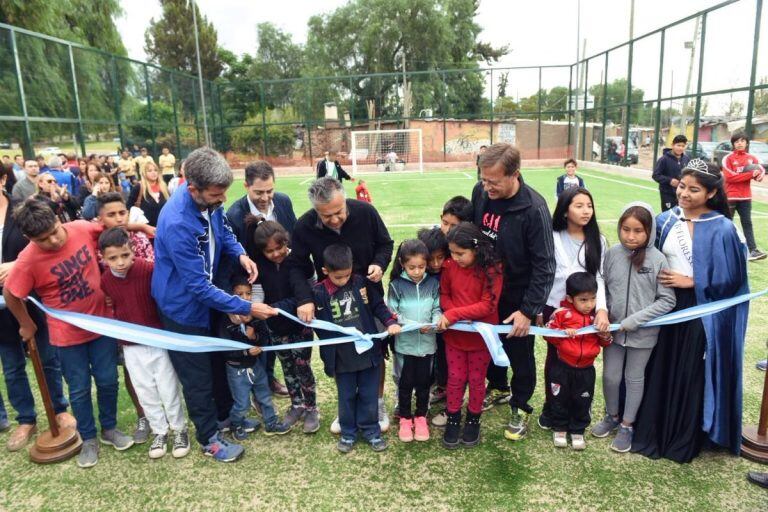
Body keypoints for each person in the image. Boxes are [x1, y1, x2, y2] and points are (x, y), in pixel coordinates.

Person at [151, 146, 271, 463]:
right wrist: (247, 307)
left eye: (223, 194)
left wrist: (240, 252)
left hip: (209, 301)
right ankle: (208, 439)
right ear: (193, 188)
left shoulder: (209, 200)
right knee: (198, 377)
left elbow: (224, 230)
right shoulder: (178, 222)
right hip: (183, 309)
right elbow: (197, 287)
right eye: (216, 195)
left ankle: (223, 419)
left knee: (218, 362)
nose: (221, 200)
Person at [2, 200, 135, 468]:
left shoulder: (81, 228)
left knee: (108, 379)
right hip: (67, 336)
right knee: (79, 388)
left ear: (58, 218)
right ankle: (88, 438)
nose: (53, 240)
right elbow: (11, 294)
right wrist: (26, 324)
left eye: (55, 230)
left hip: (102, 326)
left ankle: (109, 429)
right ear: (29, 238)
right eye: (43, 239)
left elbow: (110, 228)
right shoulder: (27, 261)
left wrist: (141, 225)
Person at [632, 159, 750, 463]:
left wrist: (694, 280)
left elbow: (734, 280)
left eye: (693, 189)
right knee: (659, 364)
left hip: (702, 312)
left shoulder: (723, 228)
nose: (684, 193)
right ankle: (652, 428)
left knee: (690, 370)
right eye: (682, 186)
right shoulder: (667, 219)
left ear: (710, 193)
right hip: (665, 305)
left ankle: (683, 434)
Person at [286, 176, 394, 431]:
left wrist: (379, 263)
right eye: (326, 217)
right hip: (330, 302)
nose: (334, 220)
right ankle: (347, 408)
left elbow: (385, 244)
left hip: (369, 296)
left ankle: (376, 403)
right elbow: (296, 266)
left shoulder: (365, 212)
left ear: (345, 200)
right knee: (339, 353)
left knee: (374, 352)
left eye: (338, 212)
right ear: (316, 211)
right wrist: (304, 299)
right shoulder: (303, 227)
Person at [471, 143, 555, 442]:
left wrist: (528, 310)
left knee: (520, 356)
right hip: (487, 292)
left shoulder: (534, 208)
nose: (486, 186)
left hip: (518, 297)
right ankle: (498, 388)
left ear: (514, 174)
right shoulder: (480, 193)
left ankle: (520, 408)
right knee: (487, 346)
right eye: (483, 178)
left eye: (493, 181)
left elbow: (545, 266)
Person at [0, 167, 74, 452]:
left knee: (48, 358)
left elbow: (47, 245)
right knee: (11, 366)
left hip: (32, 299)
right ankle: (26, 419)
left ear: (4, 179)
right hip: (1, 309)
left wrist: (16, 266)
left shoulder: (24, 212)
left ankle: (59, 409)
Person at [98, 227, 189, 459]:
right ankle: (159, 431)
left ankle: (179, 429)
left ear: (132, 251)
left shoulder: (148, 269)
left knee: (168, 387)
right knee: (144, 390)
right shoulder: (106, 280)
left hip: (158, 339)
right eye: (113, 258)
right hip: (130, 345)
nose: (120, 262)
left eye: (125, 255)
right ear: (103, 258)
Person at [593, 203, 676, 452]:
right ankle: (612, 416)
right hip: (613, 333)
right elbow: (603, 287)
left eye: (638, 230)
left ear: (649, 231)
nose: (631, 236)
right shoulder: (612, 254)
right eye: (626, 229)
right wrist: (603, 313)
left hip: (643, 334)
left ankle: (627, 425)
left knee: (634, 378)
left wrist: (635, 320)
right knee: (610, 376)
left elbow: (668, 300)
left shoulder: (658, 259)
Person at [313, 244, 401, 453]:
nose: (343, 281)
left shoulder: (362, 283)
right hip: (341, 359)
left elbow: (378, 306)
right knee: (346, 395)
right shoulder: (318, 293)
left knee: (369, 394)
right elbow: (316, 324)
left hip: (369, 354)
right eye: (338, 278)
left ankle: (371, 431)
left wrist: (390, 322)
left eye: (347, 275)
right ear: (326, 271)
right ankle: (348, 433)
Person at [535, 187, 609, 428]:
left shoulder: (598, 240)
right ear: (565, 211)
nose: (586, 211)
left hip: (585, 313)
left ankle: (576, 412)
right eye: (579, 206)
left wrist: (601, 309)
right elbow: (542, 274)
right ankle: (552, 409)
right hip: (553, 309)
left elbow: (600, 278)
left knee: (581, 362)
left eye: (589, 205)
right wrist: (537, 307)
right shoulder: (550, 236)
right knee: (555, 361)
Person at [226, 160, 297, 397]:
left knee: (278, 329)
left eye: (269, 191)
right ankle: (263, 383)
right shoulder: (235, 215)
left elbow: (293, 235)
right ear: (246, 186)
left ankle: (272, 378)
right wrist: (242, 297)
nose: (265, 197)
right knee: (259, 333)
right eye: (259, 192)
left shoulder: (284, 202)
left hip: (281, 278)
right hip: (254, 283)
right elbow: (233, 257)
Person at [244, 217, 319, 433]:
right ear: (262, 251)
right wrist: (258, 316)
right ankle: (296, 405)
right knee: (287, 367)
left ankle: (311, 407)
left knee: (303, 366)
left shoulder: (299, 261)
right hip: (276, 328)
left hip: (300, 325)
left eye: (280, 247)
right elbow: (257, 298)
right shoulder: (259, 268)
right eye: (270, 251)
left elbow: (309, 292)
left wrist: (277, 306)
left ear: (286, 242)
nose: (276, 253)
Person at [437, 222, 503, 449]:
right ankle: (453, 417)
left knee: (476, 379)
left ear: (476, 248)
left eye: (460, 253)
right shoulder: (448, 267)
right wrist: (452, 313)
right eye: (452, 253)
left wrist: (457, 313)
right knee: (455, 378)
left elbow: (488, 305)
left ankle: (473, 419)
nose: (455, 258)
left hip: (481, 338)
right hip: (455, 337)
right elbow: (444, 294)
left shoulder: (493, 269)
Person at [544, 272, 612, 450]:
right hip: (562, 367)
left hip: (586, 370)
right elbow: (548, 334)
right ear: (570, 298)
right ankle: (559, 428)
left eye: (593, 299)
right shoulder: (561, 314)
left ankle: (578, 430)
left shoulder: (596, 318)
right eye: (583, 300)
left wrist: (604, 335)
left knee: (582, 400)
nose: (589, 304)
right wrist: (563, 334)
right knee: (560, 398)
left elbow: (606, 342)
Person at [218, 275, 291, 439]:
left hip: (255, 366)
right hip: (237, 369)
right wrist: (245, 351)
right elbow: (224, 348)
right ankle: (237, 424)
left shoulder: (255, 316)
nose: (245, 298)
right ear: (230, 295)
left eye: (248, 294)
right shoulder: (225, 320)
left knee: (264, 395)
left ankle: (271, 423)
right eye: (239, 294)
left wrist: (254, 338)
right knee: (242, 403)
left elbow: (265, 337)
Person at [387, 239, 441, 443]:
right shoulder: (396, 285)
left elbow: (437, 308)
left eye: (421, 266)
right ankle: (404, 418)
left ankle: (420, 417)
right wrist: (414, 324)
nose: (417, 271)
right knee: (404, 383)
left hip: (427, 345)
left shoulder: (433, 284)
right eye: (412, 267)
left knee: (424, 383)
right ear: (402, 263)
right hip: (404, 346)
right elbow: (393, 312)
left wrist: (434, 322)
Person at [417, 227, 450, 427]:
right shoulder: (418, 272)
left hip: (449, 327)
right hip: (426, 329)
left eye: (441, 257)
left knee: (446, 360)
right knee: (428, 360)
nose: (436, 264)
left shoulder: (450, 270)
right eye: (431, 259)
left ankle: (446, 387)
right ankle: (437, 386)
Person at [721, 130, 767, 261]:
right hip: (730, 196)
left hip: (746, 197)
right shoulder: (728, 158)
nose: (739, 143)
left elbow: (760, 173)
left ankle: (753, 250)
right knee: (726, 223)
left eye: (742, 141)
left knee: (747, 223)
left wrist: (757, 175)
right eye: (736, 141)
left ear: (746, 143)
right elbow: (730, 177)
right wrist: (749, 174)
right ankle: (723, 248)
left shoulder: (752, 159)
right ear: (733, 144)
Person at [96, 192, 154, 262]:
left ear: (128, 214)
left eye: (122, 213)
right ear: (100, 220)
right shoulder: (96, 244)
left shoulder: (140, 240)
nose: (119, 219)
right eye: (111, 215)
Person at [652, 134, 690, 212]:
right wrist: (669, 180)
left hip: (682, 194)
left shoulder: (686, 159)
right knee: (669, 214)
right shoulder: (664, 159)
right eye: (678, 145)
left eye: (683, 146)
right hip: (667, 194)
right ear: (672, 145)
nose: (680, 148)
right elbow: (655, 175)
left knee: (682, 215)